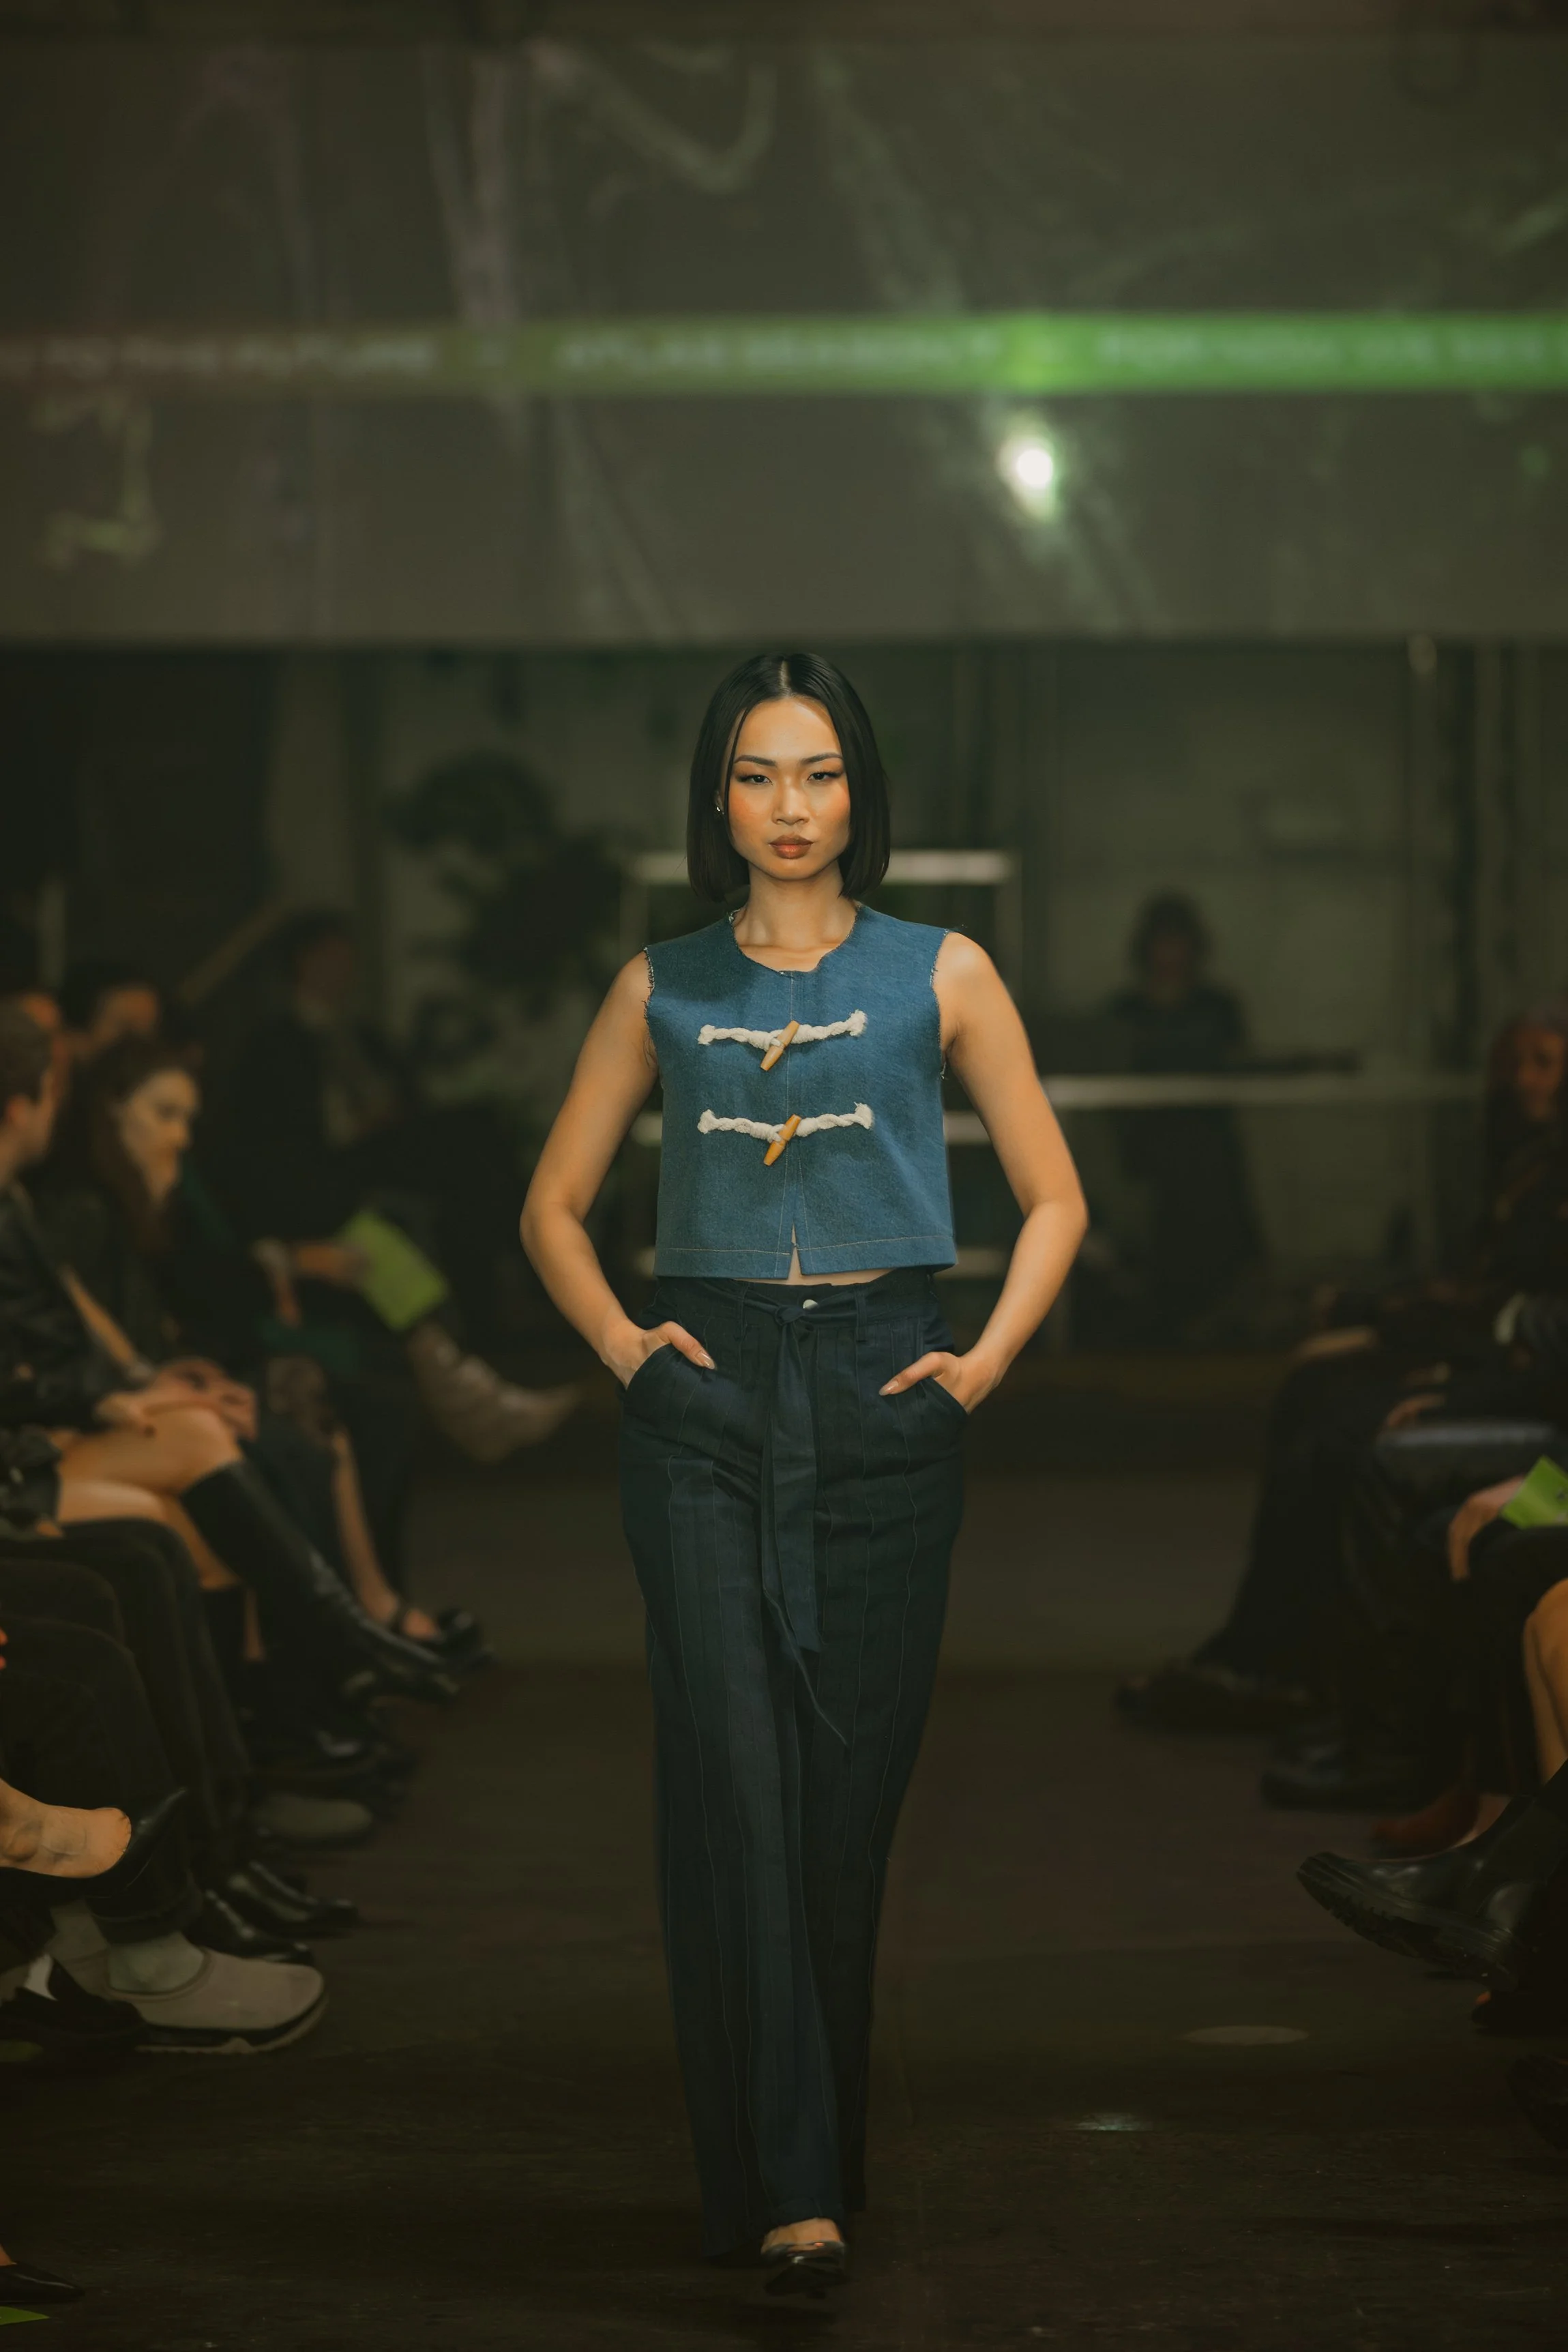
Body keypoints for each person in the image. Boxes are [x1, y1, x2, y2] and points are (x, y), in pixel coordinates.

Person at [522, 651, 1086, 2291]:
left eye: (820, 772)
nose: (791, 804)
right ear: (717, 796)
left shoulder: (943, 971)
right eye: (760, 773)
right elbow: (551, 1205)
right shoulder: (660, 985)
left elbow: (1054, 1196)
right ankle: (793, 2192)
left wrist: (979, 1365)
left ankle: (797, 2166)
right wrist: (626, 1347)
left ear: (859, 792)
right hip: (702, 1403)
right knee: (741, 1795)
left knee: (841, 1821)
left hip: (887, 1391)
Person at [1106, 893, 1261, 1340]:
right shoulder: (1124, 1012)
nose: (1171, 954)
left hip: (1208, 1140)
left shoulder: (1217, 1007)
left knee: (1204, 1179)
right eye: (1163, 943)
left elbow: (1235, 1069)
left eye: (1179, 943)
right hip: (1148, 1145)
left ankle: (1208, 1311)